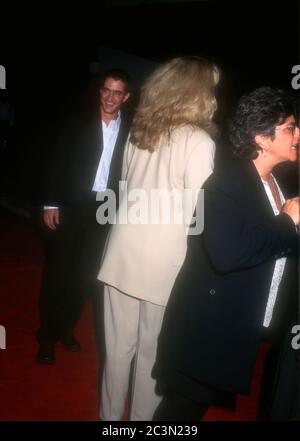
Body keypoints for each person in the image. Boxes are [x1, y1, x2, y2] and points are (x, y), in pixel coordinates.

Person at [152, 86, 299, 420]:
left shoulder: (271, 184)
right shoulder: (226, 182)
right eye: (290, 127)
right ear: (262, 138)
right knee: (179, 413)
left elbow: (275, 248)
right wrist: (287, 224)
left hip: (231, 328)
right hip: (205, 330)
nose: (298, 133)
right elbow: (227, 254)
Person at [97, 56, 220, 420]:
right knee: (152, 357)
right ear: (198, 93)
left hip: (121, 252)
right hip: (164, 264)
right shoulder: (197, 141)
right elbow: (200, 212)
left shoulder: (140, 129)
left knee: (116, 353)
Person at [36, 68, 131, 364]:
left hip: (104, 209)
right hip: (71, 205)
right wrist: (50, 202)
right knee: (58, 275)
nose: (110, 97)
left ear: (125, 97)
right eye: (106, 90)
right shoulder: (77, 120)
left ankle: (66, 328)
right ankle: (48, 335)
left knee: (86, 276)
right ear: (99, 91)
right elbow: (55, 159)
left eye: (117, 92)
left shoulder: (130, 130)